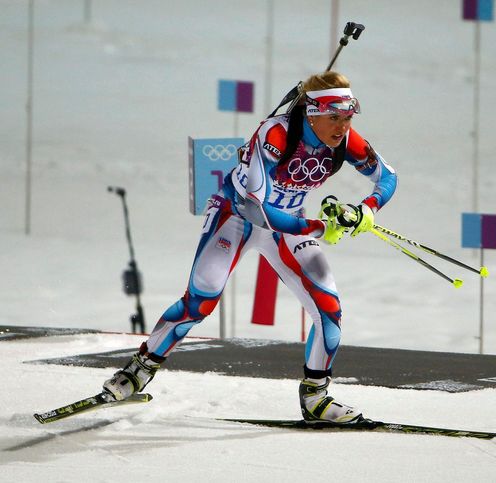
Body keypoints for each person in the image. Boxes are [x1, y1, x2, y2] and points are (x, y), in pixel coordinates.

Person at [102, 71, 398, 424]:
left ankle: (316, 398)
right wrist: (319, 226)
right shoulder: (276, 133)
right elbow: (256, 208)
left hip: (286, 223)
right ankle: (137, 372)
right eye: (334, 117)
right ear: (312, 113)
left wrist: (366, 208)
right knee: (201, 300)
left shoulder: (345, 141)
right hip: (237, 216)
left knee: (328, 307)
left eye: (348, 117)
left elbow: (388, 176)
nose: (342, 126)